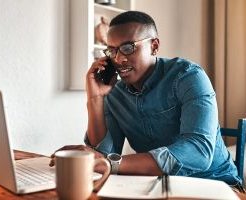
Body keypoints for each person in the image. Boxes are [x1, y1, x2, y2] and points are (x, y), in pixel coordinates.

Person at [51, 10, 242, 189]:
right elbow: (104, 154)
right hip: (156, 186)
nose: (118, 59)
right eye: (111, 51)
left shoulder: (188, 77)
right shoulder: (114, 92)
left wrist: (109, 163)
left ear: (154, 46)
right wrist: (95, 99)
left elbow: (198, 152)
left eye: (128, 48)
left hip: (216, 184)